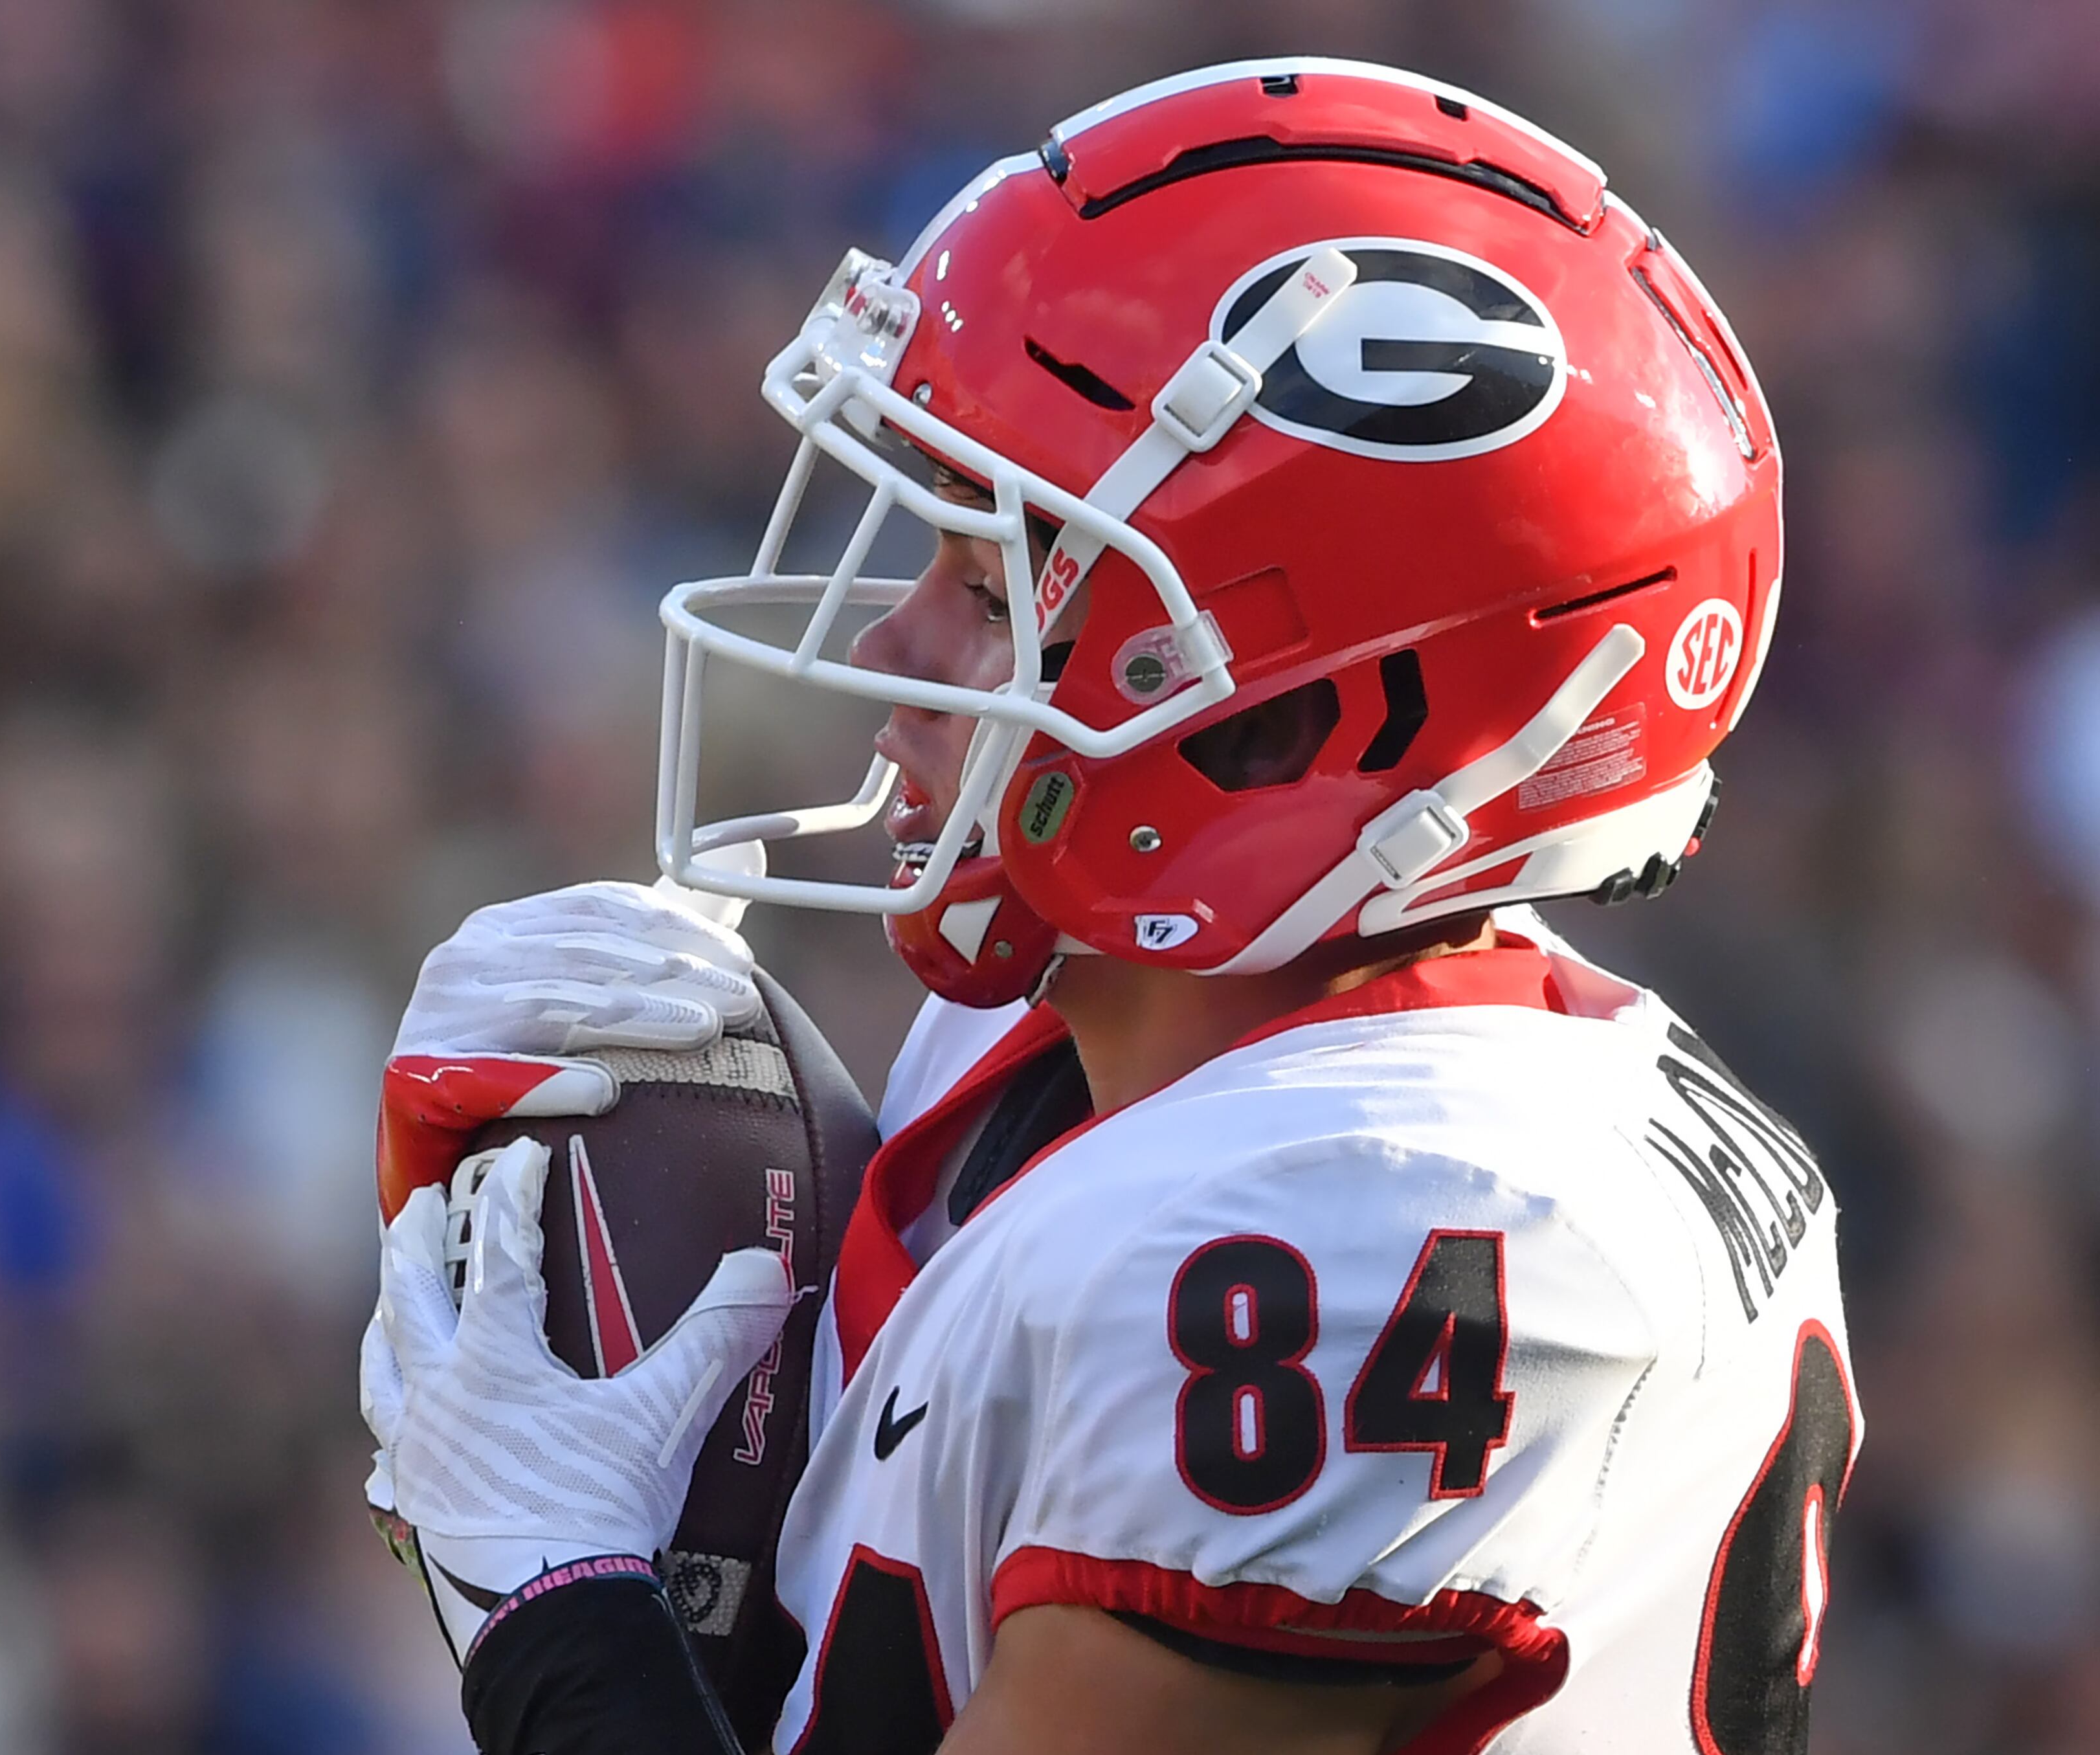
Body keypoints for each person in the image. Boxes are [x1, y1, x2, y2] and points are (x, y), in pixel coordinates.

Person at [357, 58, 1857, 1755]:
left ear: (1299, 719)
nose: (892, 650)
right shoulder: (1071, 1037)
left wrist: (556, 1606)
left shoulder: (1389, 1231)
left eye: (995, 588)